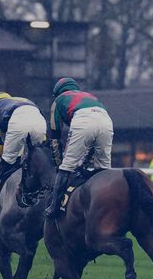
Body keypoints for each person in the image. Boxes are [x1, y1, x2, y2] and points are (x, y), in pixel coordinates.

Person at [45, 77, 113, 218]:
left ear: (57, 92)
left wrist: (60, 165)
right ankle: (108, 207)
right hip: (106, 121)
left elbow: (55, 136)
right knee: (103, 169)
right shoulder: (89, 96)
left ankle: (54, 207)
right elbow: (91, 145)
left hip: (83, 120)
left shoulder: (58, 100)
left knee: (66, 166)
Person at [0, 92, 47, 210]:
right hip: (40, 121)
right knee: (40, 160)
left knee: (5, 164)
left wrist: (8, 159)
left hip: (18, 121)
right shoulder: (22, 100)